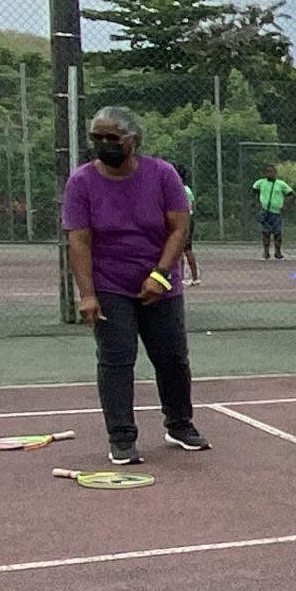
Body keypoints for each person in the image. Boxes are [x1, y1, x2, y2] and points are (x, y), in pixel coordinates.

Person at [61, 106, 208, 464]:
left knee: (172, 357)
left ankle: (179, 424)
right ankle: (122, 437)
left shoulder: (162, 174)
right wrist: (88, 295)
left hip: (160, 282)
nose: (104, 144)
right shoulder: (81, 182)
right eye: (97, 138)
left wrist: (160, 275)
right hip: (110, 284)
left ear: (134, 140)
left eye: (112, 138)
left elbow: (179, 228)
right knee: (116, 359)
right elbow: (79, 241)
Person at [251, 165, 294, 260]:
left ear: (275, 173)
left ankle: (278, 252)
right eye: (267, 172)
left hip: (276, 212)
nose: (269, 174)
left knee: (277, 233)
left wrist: (286, 206)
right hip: (265, 211)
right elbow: (254, 191)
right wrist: (256, 202)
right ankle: (266, 252)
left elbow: (290, 194)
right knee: (265, 232)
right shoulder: (260, 183)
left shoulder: (281, 184)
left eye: (271, 172)